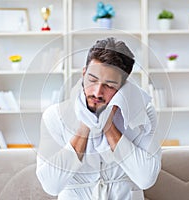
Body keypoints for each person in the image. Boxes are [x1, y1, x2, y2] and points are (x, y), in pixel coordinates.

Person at [36, 37, 161, 200]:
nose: (96, 92)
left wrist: (109, 126)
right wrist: (85, 124)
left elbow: (145, 179)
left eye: (109, 85)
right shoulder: (55, 116)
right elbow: (51, 185)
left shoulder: (143, 114)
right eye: (92, 80)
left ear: (123, 86)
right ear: (83, 73)